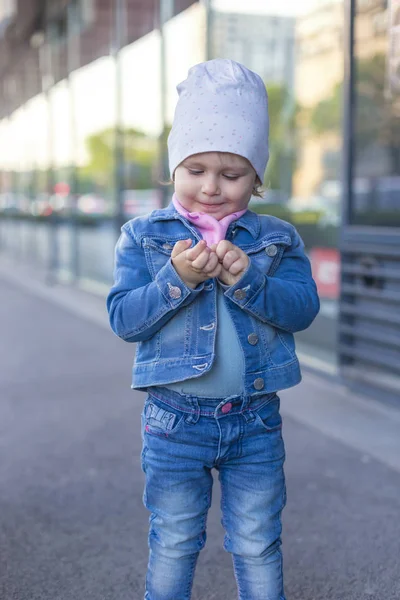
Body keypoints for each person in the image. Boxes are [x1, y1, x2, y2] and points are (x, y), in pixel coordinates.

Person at [107, 58, 320, 600]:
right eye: (196, 170)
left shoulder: (276, 240)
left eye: (232, 175)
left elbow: (301, 310)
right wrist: (175, 279)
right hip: (174, 421)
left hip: (255, 421)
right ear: (172, 169)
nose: (211, 187)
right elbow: (124, 319)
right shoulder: (144, 235)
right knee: (175, 540)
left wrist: (248, 280)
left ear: (257, 179)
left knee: (256, 541)